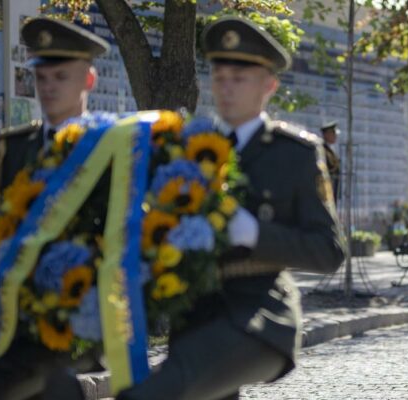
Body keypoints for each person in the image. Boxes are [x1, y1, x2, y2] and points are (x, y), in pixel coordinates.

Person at [104, 17, 346, 400]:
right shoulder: (186, 149)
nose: (227, 88)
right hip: (194, 315)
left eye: (240, 78)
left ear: (269, 85)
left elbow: (329, 251)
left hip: (259, 316)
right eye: (220, 78)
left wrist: (252, 233)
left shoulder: (294, 153)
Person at [0, 17, 109, 400]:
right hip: (12, 310)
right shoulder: (14, 146)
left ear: (88, 81)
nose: (47, 88)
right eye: (41, 78)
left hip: (80, 315)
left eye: (60, 77)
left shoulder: (111, 150)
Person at [320, 121, 341, 201]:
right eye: (333, 134)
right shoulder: (323, 149)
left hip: (332, 187)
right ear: (327, 134)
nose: (335, 136)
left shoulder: (329, 150)